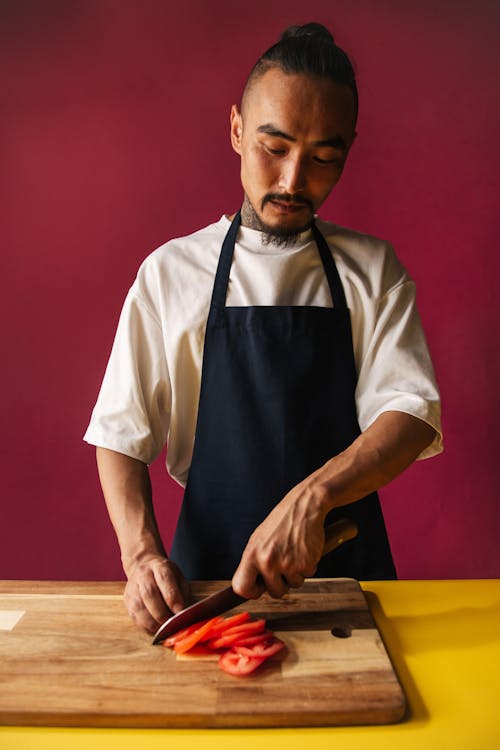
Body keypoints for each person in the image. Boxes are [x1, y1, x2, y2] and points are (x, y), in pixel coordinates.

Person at [84, 23, 442, 633]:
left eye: (324, 158)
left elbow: (409, 415)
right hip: (205, 585)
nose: (294, 180)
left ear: (348, 149)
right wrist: (141, 555)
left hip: (344, 578)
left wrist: (314, 497)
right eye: (274, 148)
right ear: (236, 130)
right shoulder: (172, 273)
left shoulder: (373, 269)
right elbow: (121, 432)